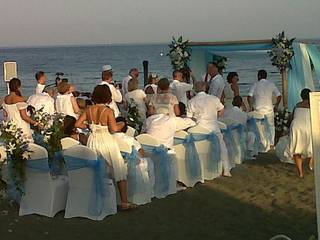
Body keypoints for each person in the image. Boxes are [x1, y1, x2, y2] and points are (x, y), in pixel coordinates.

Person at [75, 85, 136, 210]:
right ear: (108, 97)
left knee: (95, 168)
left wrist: (91, 127)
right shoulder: (108, 111)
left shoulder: (89, 110)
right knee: (118, 168)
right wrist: (121, 125)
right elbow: (113, 129)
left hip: (93, 140)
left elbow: (77, 124)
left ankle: (96, 196)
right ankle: (124, 202)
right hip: (106, 141)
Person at [187, 81, 232, 176]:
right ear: (204, 88)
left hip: (199, 129)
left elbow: (189, 118)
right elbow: (222, 109)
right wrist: (216, 117)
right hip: (213, 128)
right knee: (222, 147)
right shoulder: (213, 98)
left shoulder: (191, 101)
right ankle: (226, 169)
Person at [247, 70, 282, 148]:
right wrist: (276, 105)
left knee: (259, 127)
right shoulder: (271, 84)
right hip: (269, 109)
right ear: (266, 76)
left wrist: (250, 106)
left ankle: (261, 143)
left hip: (258, 109)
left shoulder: (255, 85)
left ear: (259, 76)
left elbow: (249, 96)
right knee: (271, 126)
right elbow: (279, 95)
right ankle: (271, 143)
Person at [289, 88, 313, 178]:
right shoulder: (312, 105)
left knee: (297, 150)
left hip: (296, 127)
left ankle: (301, 173)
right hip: (307, 126)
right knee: (313, 146)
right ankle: (311, 164)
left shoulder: (297, 105)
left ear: (301, 96)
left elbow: (292, 117)